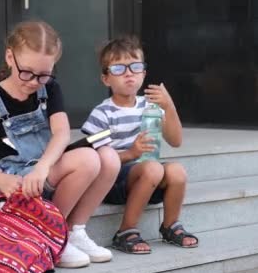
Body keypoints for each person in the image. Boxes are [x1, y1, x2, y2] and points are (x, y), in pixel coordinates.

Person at [0, 20, 120, 268]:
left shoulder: (50, 89)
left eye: (44, 75)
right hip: (14, 182)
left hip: (44, 171)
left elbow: (61, 133)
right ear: (9, 57)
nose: (34, 82)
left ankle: (73, 230)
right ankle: (50, 234)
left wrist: (42, 167)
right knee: (88, 159)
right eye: (26, 72)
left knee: (109, 157)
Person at [81, 35, 198, 254]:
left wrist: (169, 106)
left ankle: (170, 225)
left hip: (147, 179)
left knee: (177, 171)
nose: (128, 73)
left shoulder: (150, 106)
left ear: (143, 73)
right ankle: (126, 231)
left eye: (135, 67)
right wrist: (131, 153)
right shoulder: (102, 113)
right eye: (118, 68)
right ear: (105, 79)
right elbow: (96, 161)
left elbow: (176, 140)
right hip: (114, 184)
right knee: (153, 168)